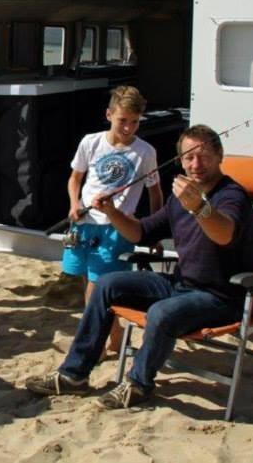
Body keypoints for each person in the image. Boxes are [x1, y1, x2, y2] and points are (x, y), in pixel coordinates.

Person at [25, 124, 253, 410]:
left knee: (161, 312)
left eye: (204, 156)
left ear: (219, 156)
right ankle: (74, 375)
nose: (196, 164)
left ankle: (139, 385)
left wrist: (200, 208)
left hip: (220, 296)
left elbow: (224, 234)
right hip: (180, 285)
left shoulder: (231, 195)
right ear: (180, 160)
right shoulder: (181, 197)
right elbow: (140, 233)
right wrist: (112, 212)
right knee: (106, 284)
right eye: (188, 157)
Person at [47, 86, 163, 355]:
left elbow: (155, 191)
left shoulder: (145, 152)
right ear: (109, 114)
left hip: (116, 228)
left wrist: (154, 230)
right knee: (87, 280)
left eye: (135, 122)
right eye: (123, 120)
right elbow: (75, 179)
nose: (128, 127)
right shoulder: (91, 142)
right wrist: (74, 205)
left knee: (98, 288)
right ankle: (115, 337)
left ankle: (95, 344)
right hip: (84, 224)